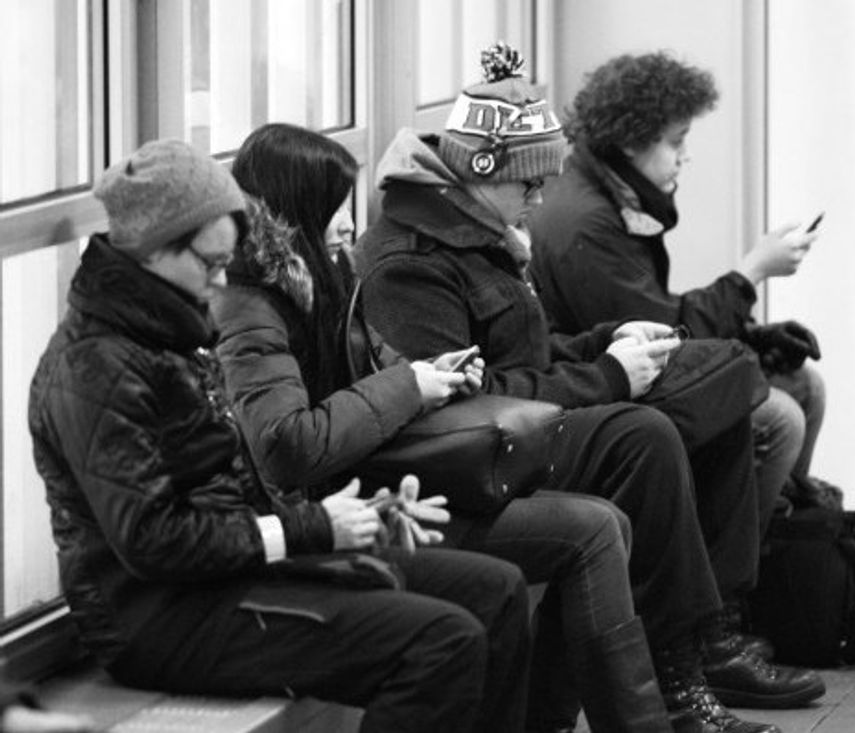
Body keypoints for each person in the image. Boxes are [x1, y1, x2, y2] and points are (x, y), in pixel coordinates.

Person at [355, 43, 825, 732]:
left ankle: (683, 665)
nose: (539, 199)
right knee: (648, 438)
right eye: (528, 184)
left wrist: (607, 340)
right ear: (484, 171)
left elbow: (527, 347)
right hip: (465, 457)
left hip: (519, 427)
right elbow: (457, 400)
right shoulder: (412, 262)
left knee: (713, 398)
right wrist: (607, 374)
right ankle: (680, 674)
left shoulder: (480, 229)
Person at [27, 138, 531, 733]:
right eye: (210, 263)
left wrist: (357, 516)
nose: (221, 281)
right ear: (153, 250)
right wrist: (310, 528)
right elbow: (152, 541)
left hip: (226, 575)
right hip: (158, 617)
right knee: (441, 643)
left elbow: (227, 488)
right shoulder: (96, 365)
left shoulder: (165, 328)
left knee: (497, 590)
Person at [213, 121, 683, 733]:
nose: (350, 224)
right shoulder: (254, 309)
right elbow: (286, 447)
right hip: (332, 516)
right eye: (335, 207)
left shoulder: (328, 279)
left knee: (608, 518)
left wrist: (437, 374)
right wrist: (409, 386)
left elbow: (376, 371)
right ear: (298, 210)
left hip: (376, 488)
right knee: (592, 526)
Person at [526, 51, 827, 533]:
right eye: (676, 141)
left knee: (803, 384)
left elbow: (650, 311)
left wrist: (754, 336)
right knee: (780, 418)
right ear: (631, 141)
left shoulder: (600, 188)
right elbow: (661, 333)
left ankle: (775, 541)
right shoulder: (586, 222)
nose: (685, 156)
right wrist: (751, 272)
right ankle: (731, 564)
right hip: (593, 389)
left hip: (607, 367)